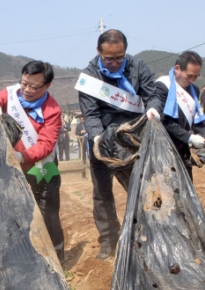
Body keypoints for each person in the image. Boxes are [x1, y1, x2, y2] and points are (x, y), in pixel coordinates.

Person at [77, 29, 161, 260]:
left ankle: (146, 233)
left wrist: (153, 108)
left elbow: (151, 95)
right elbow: (91, 113)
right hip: (101, 139)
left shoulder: (138, 66)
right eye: (109, 59)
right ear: (98, 52)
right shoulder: (89, 76)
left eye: (119, 57)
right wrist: (97, 137)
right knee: (102, 192)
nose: (114, 63)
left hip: (132, 137)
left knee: (141, 187)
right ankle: (109, 240)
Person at [0, 60, 66, 263]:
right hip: (11, 168)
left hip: (43, 167)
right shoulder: (10, 96)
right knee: (12, 211)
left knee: (48, 213)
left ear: (47, 86)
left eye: (34, 87)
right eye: (24, 83)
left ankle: (57, 259)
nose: (27, 90)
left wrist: (21, 157)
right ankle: (19, 257)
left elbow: (46, 145)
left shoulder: (52, 110)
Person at [156, 51, 205, 181]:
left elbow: (196, 118)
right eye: (189, 76)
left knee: (187, 187)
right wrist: (190, 137)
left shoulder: (194, 90)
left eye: (196, 77)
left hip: (183, 148)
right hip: (163, 148)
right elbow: (163, 120)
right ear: (177, 69)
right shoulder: (161, 87)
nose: (191, 80)